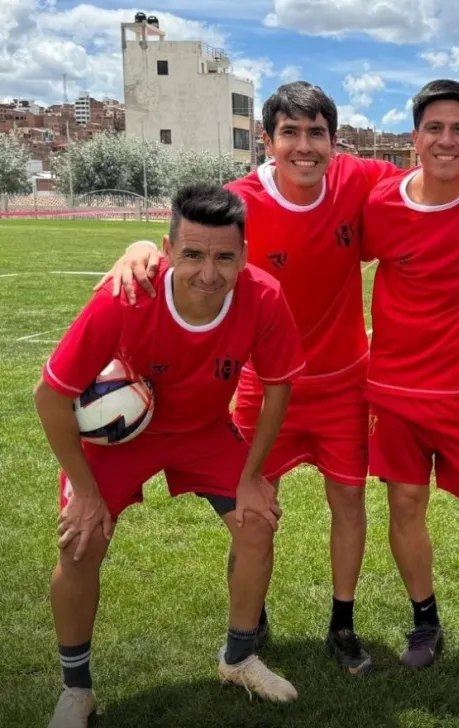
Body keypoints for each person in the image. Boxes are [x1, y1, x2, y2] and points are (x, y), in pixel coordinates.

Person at [98, 81, 459, 675]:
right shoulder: (239, 201)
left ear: (333, 141)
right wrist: (138, 245)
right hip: (262, 385)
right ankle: (250, 619)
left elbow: (437, 162)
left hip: (346, 382)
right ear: (267, 141)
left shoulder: (357, 181)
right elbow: (189, 244)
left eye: (315, 133)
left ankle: (342, 624)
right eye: (289, 134)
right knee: (250, 511)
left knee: (348, 501)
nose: (304, 147)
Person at [37, 184, 306, 728]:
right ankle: (76, 690)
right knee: (81, 542)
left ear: (244, 256)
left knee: (257, 522)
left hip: (203, 430)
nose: (209, 272)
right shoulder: (126, 296)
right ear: (167, 250)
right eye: (193, 254)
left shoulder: (263, 296)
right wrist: (85, 492)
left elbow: (278, 387)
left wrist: (252, 477)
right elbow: (51, 395)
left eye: (225, 257)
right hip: (122, 440)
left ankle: (239, 657)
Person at [361, 79, 459, 672]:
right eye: (435, 128)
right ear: (414, 138)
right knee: (405, 505)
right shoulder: (380, 204)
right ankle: (424, 621)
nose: (446, 140)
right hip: (395, 393)